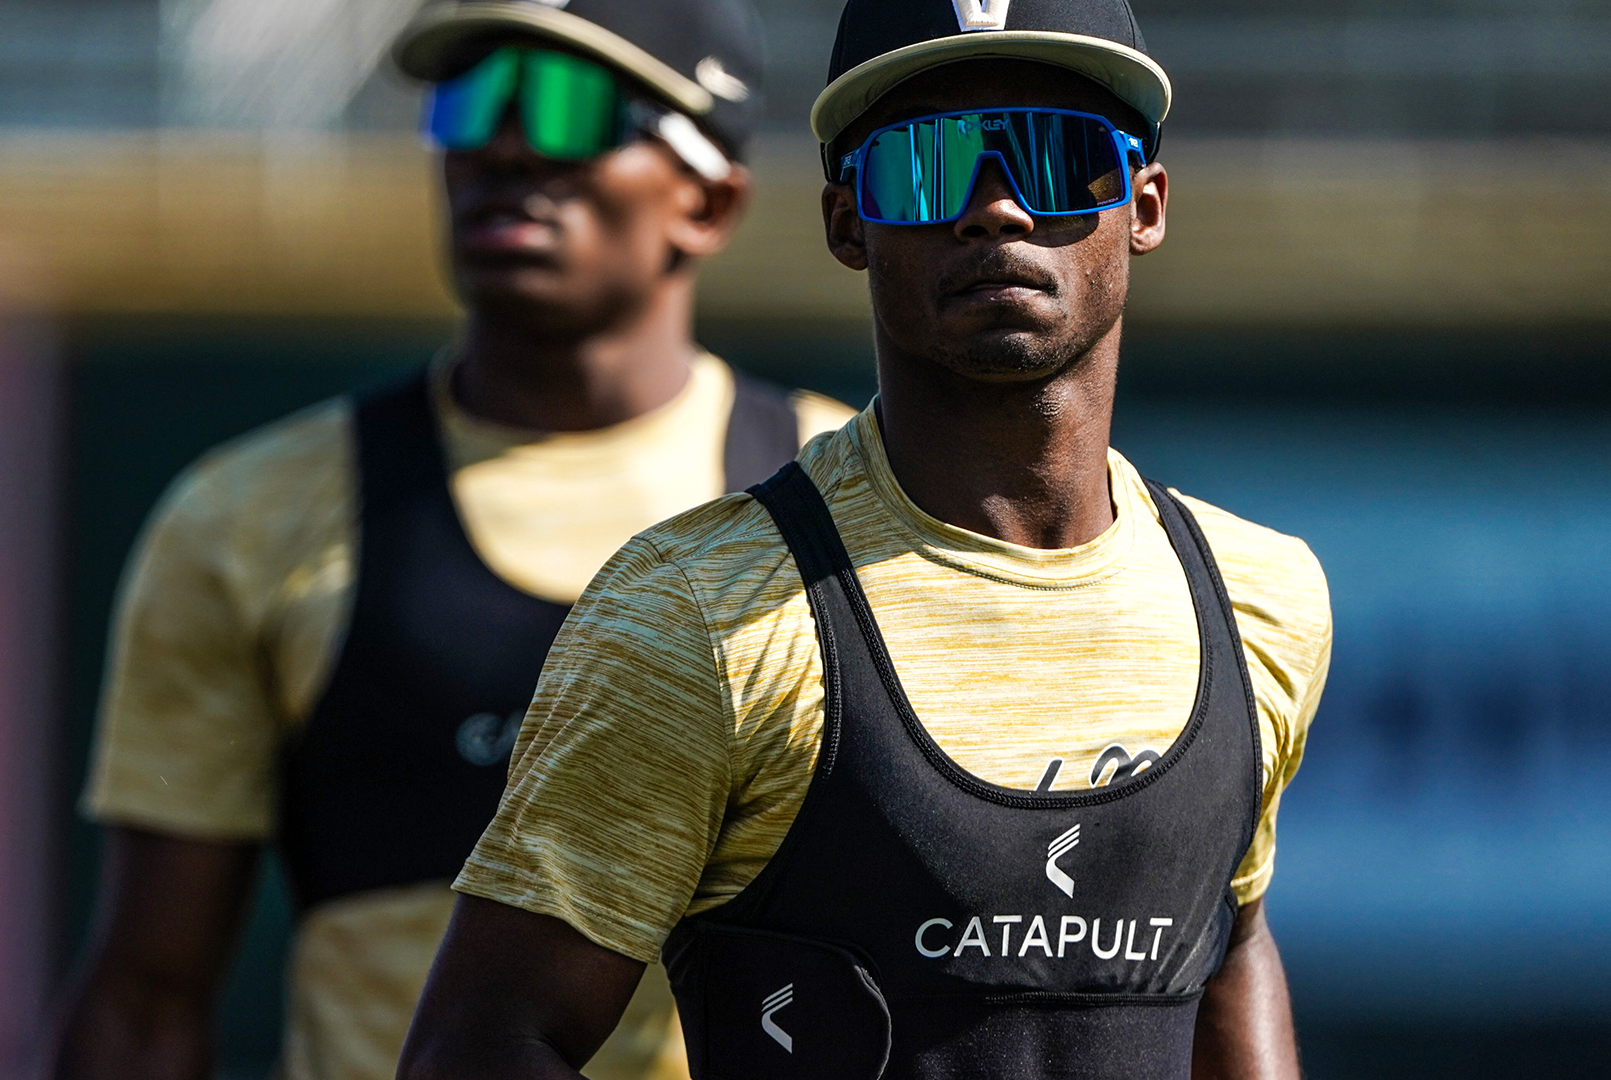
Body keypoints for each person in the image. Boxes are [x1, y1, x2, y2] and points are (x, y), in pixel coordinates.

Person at [399, 0, 1335, 1078]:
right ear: (848, 224)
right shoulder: (699, 612)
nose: (994, 207)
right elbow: (485, 1044)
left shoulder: (1263, 596)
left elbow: (1227, 949)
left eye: (1054, 153)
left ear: (1147, 202)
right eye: (924, 167)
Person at [51, 1, 854, 1078]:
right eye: (468, 101)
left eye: (571, 107)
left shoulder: (848, 509)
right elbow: (145, 1002)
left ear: (706, 200)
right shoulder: (251, 517)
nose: (504, 143)